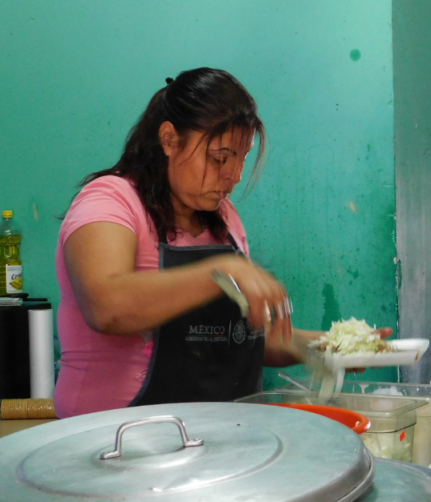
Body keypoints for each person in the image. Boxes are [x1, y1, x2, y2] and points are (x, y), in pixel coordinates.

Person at [54, 68, 315, 417]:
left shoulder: (226, 220)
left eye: (242, 158)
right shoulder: (109, 201)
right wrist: (220, 271)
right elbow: (106, 305)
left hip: (215, 437)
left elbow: (234, 339)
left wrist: (328, 347)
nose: (234, 176)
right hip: (116, 441)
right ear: (169, 139)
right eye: (220, 158)